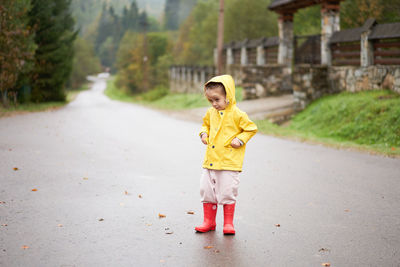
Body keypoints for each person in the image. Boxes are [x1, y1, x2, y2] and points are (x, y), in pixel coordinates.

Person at [195, 74, 257, 235]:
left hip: (229, 162)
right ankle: (209, 221)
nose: (214, 104)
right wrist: (203, 134)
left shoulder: (238, 114)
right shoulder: (211, 113)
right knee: (206, 190)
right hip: (210, 162)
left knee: (228, 191)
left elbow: (251, 129)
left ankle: (228, 223)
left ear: (228, 97)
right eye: (210, 101)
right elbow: (205, 126)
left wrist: (240, 139)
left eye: (217, 99)